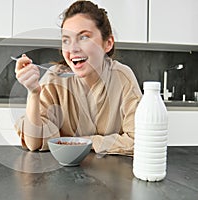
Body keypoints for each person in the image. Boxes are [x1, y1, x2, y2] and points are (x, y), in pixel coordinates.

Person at [14, 0, 142, 156]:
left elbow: (140, 141)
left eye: (84, 37)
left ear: (107, 43)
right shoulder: (54, 78)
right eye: (66, 40)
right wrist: (33, 93)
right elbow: (34, 143)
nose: (73, 48)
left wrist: (88, 141)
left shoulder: (123, 77)